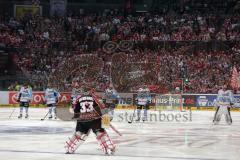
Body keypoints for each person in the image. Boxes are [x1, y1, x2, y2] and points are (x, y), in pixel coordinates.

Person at [65, 85, 115, 155]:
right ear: (89, 91)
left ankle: (69, 147)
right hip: (93, 120)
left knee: (78, 133)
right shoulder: (94, 98)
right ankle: (107, 149)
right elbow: (100, 109)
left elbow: (75, 111)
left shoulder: (78, 98)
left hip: (82, 119)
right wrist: (106, 119)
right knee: (100, 133)